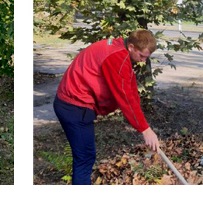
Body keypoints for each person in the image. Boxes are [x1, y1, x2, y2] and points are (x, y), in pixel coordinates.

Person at [53, 30, 161, 185]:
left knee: (85, 156)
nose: (143, 61)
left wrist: (143, 123)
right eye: (142, 56)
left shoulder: (119, 48)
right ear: (131, 46)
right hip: (74, 106)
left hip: (74, 103)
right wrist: (145, 129)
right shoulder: (117, 58)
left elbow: (131, 90)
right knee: (84, 158)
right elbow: (125, 98)